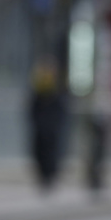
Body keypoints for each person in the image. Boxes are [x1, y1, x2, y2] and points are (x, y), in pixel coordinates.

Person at [28, 59, 68, 190]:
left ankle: (49, 177)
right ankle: (44, 177)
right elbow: (33, 109)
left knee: (50, 154)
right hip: (42, 129)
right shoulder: (39, 91)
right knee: (41, 153)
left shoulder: (56, 91)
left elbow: (59, 111)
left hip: (50, 129)